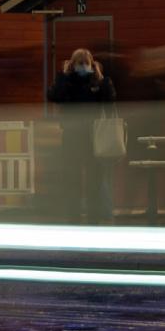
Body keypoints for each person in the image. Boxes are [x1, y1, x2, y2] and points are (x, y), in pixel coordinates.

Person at [48, 48, 118, 223]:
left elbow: (110, 101)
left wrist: (102, 79)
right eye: (80, 63)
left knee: (94, 180)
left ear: (92, 64)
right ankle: (74, 217)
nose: (83, 67)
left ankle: (92, 218)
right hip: (73, 136)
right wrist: (64, 77)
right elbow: (54, 96)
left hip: (93, 136)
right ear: (73, 65)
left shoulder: (99, 81)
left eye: (86, 63)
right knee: (72, 179)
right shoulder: (67, 81)